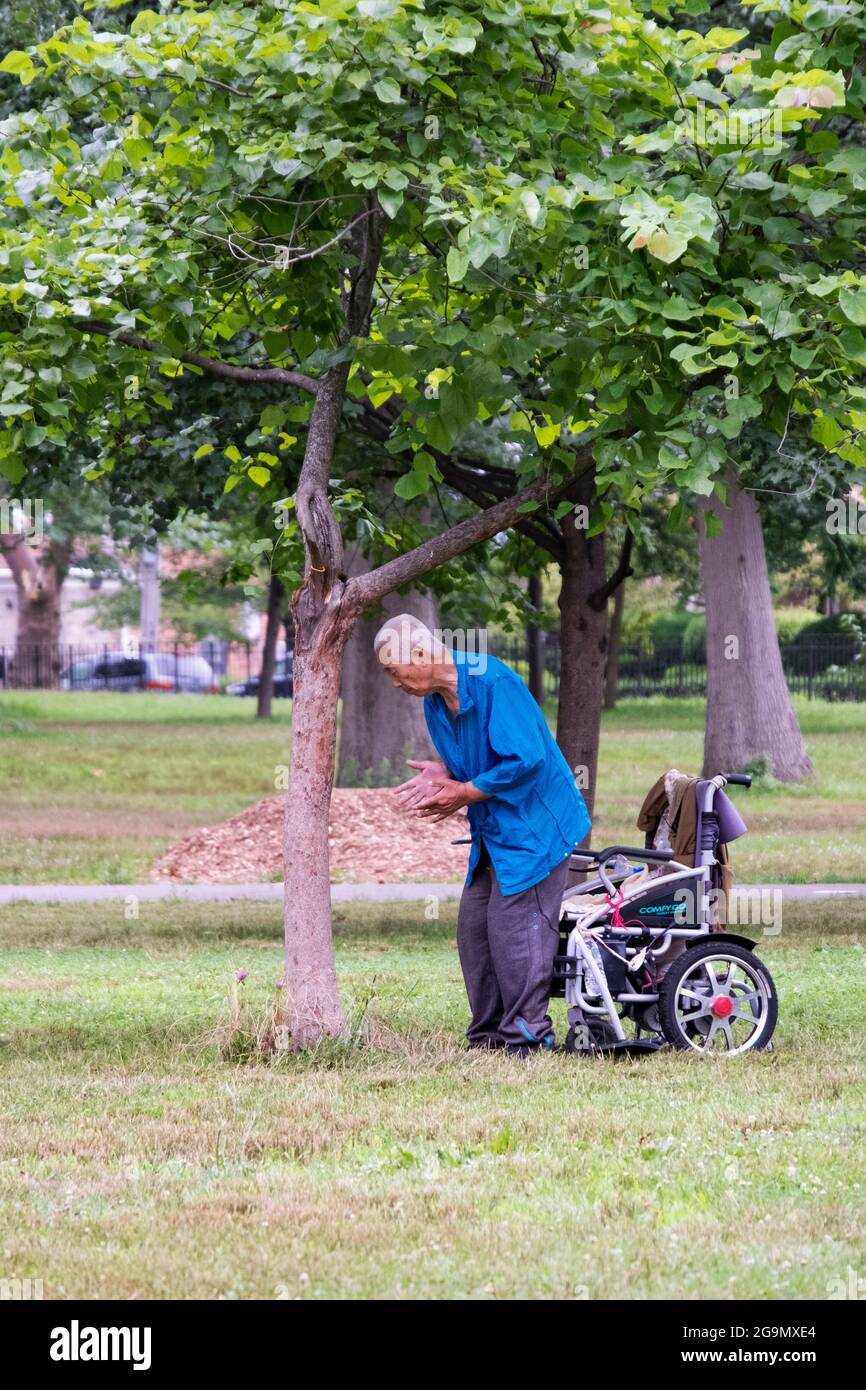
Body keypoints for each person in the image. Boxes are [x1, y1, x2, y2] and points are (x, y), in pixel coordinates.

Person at [374, 614, 591, 1055]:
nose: (395, 683)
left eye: (394, 671)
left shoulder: (493, 681)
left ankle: (528, 1040)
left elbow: (525, 759)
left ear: (419, 654)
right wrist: (448, 772)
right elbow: (481, 759)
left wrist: (465, 791)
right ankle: (488, 1038)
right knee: (475, 932)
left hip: (536, 828)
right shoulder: (435, 702)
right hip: (493, 829)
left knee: (517, 934)